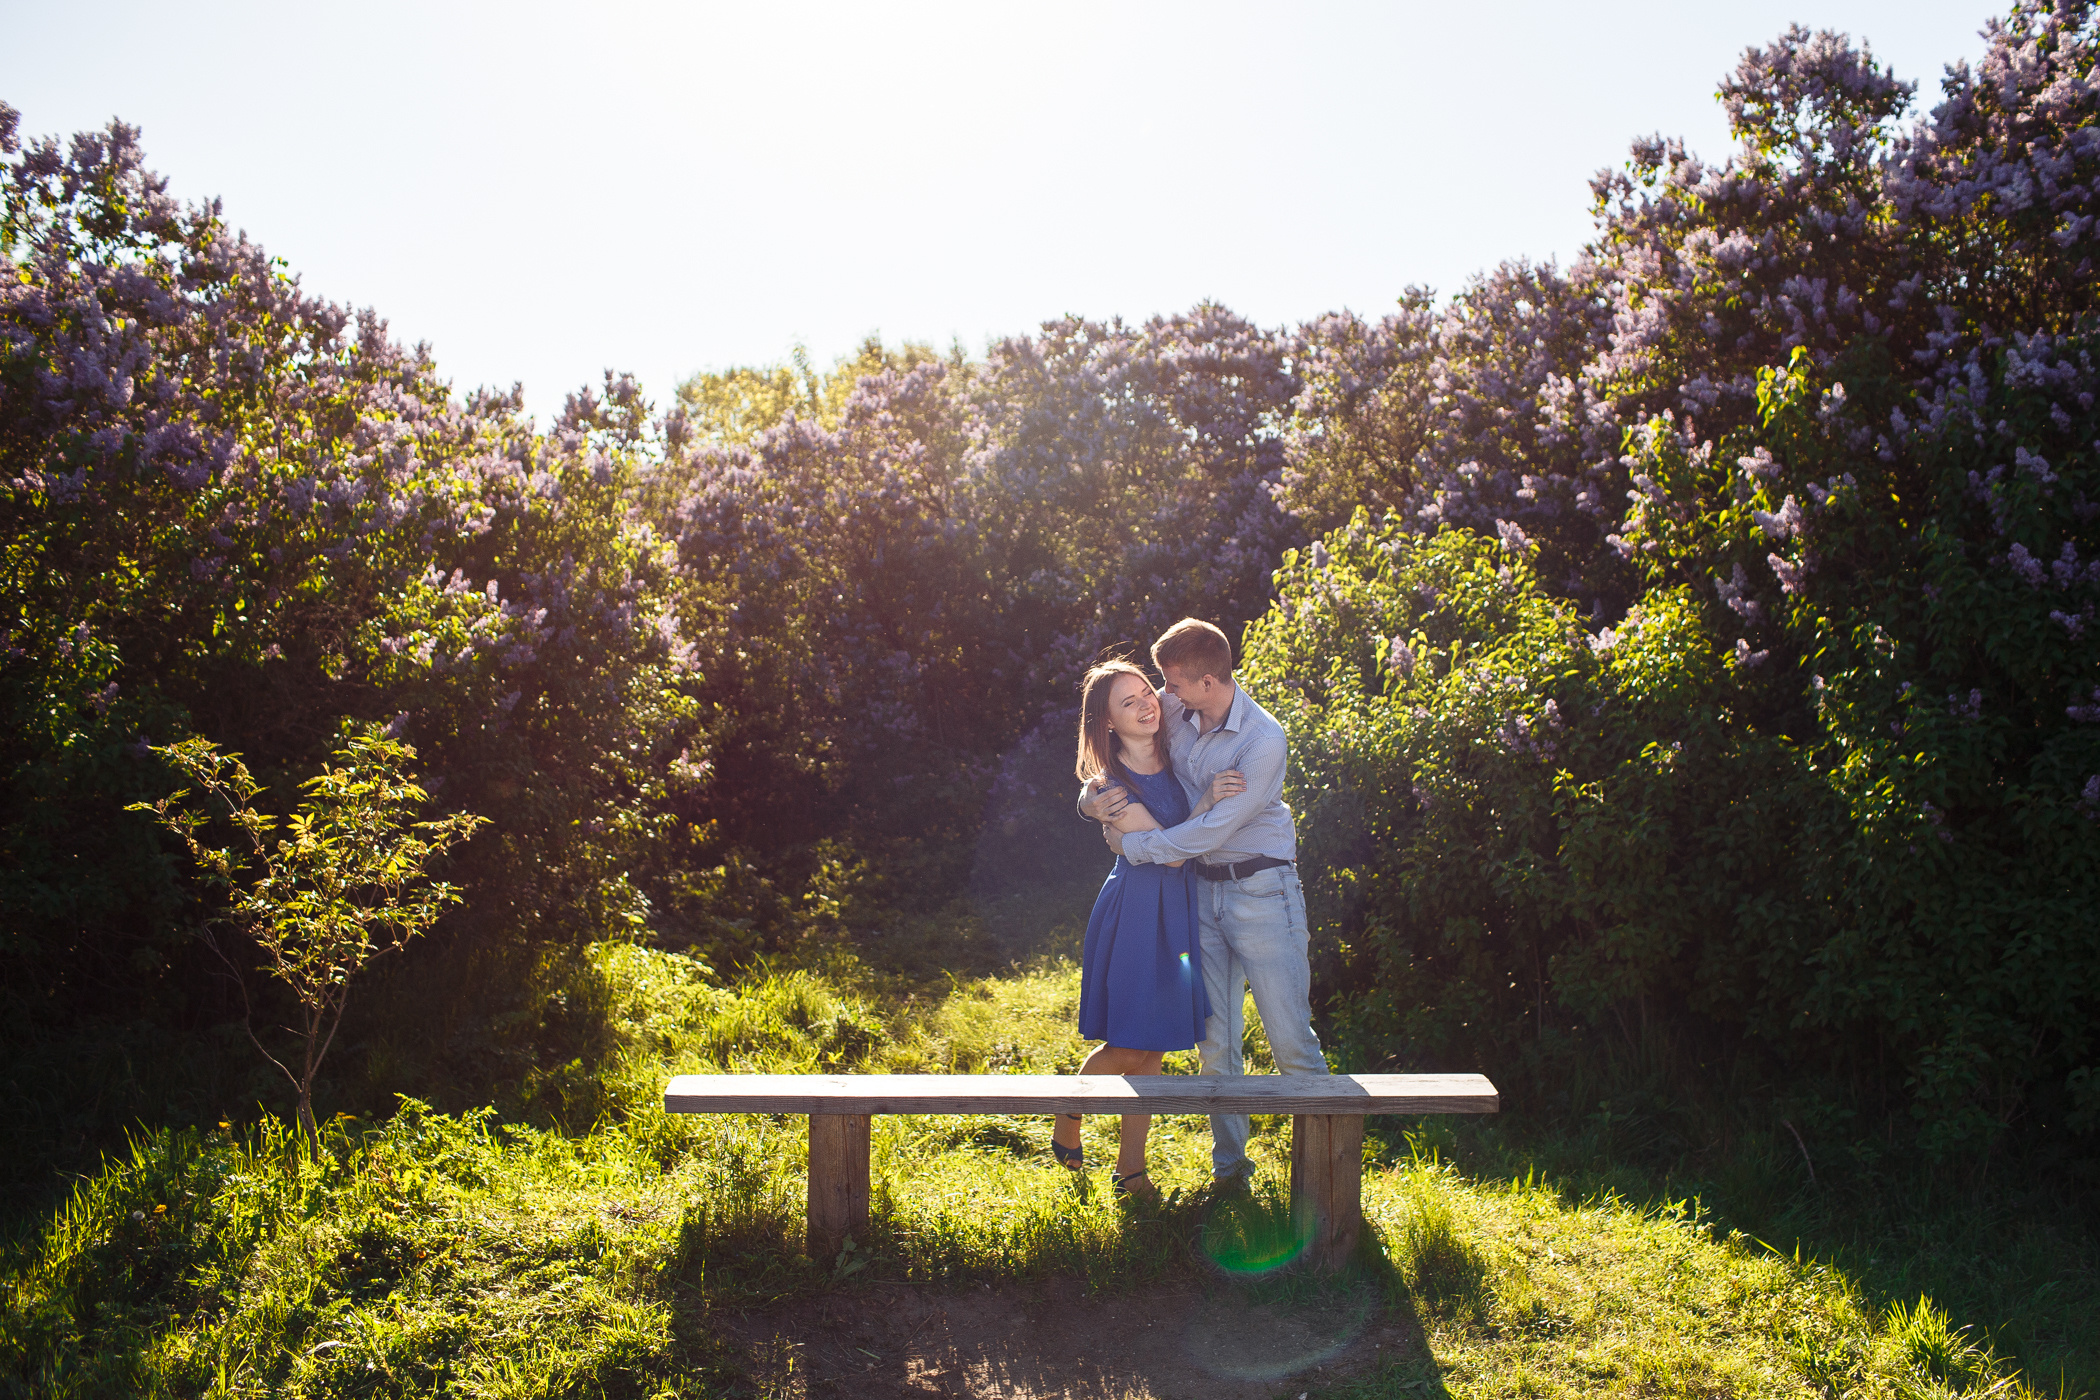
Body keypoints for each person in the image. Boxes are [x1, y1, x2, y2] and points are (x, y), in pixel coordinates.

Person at [1079, 618, 1326, 1187]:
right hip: (1200, 894)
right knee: (1216, 1046)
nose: (1162, 695)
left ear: (1208, 681)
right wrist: (1091, 800)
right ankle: (1231, 1175)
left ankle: (1322, 1184)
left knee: (1290, 1039)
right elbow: (1108, 744)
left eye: (1172, 684)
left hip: (1262, 891)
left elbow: (1211, 830)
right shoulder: (1176, 706)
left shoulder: (1263, 740)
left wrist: (1134, 846)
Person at [1055, 659, 1237, 1198]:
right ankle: (1069, 1108)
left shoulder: (1174, 740)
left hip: (1176, 913)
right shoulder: (1110, 788)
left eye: (1145, 692)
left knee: (1153, 1049)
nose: (1145, 704)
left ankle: (1130, 1171)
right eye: (1127, 702)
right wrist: (1207, 801)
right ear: (1107, 722)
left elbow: (1208, 681)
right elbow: (1172, 855)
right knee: (1131, 1043)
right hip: (1137, 911)